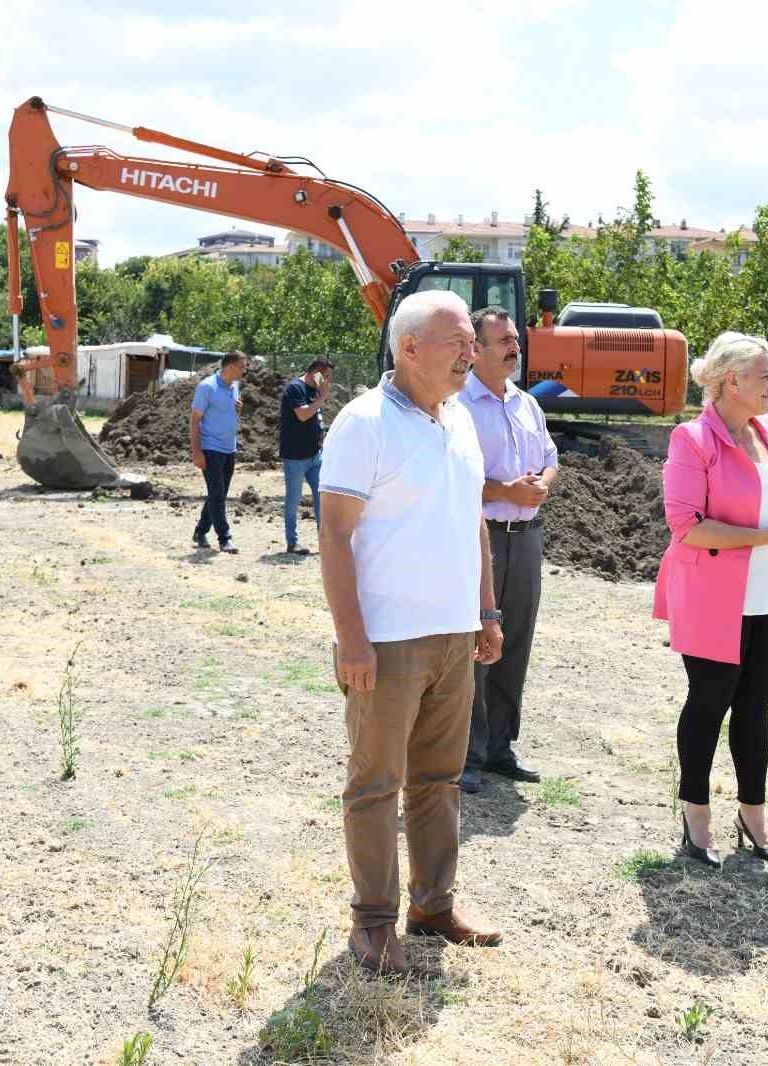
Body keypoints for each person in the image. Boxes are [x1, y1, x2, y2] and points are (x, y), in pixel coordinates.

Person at [318, 289, 505, 976]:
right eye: (456, 340)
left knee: (438, 780)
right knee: (376, 784)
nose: (470, 351)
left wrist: (485, 612)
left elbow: (473, 522)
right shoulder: (363, 423)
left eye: (471, 341)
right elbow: (334, 535)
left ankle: (433, 905)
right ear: (408, 348)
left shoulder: (459, 421)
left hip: (453, 636)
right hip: (388, 641)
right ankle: (372, 925)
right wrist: (353, 638)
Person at [653, 332, 768, 869]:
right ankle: (696, 817)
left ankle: (753, 816)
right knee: (709, 707)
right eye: (766, 375)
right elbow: (688, 528)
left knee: (756, 710)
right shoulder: (693, 439)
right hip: (713, 600)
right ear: (733, 381)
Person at [456, 307, 558, 794]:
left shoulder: (527, 404)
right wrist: (506, 492)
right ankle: (467, 754)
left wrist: (540, 485)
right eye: (503, 340)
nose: (514, 347)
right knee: (478, 641)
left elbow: (551, 458)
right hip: (483, 538)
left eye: (515, 338)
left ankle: (501, 746)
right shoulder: (459, 406)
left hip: (527, 537)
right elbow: (453, 483)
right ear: (475, 349)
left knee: (515, 640)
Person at [189, 351, 247, 553]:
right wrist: (197, 452)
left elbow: (226, 412)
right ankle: (224, 537)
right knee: (217, 494)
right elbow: (195, 420)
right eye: (241, 367)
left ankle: (200, 531)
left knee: (218, 494)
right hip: (211, 448)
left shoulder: (234, 387)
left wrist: (236, 409)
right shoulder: (207, 387)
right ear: (229, 366)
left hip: (229, 448)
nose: (244, 371)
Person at [279, 358, 335, 555]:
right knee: (293, 500)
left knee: (323, 497)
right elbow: (302, 415)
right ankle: (292, 542)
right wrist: (321, 398)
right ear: (315, 373)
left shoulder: (315, 391)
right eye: (325, 376)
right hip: (295, 457)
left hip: (315, 456)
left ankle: (325, 541)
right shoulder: (296, 388)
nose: (328, 381)